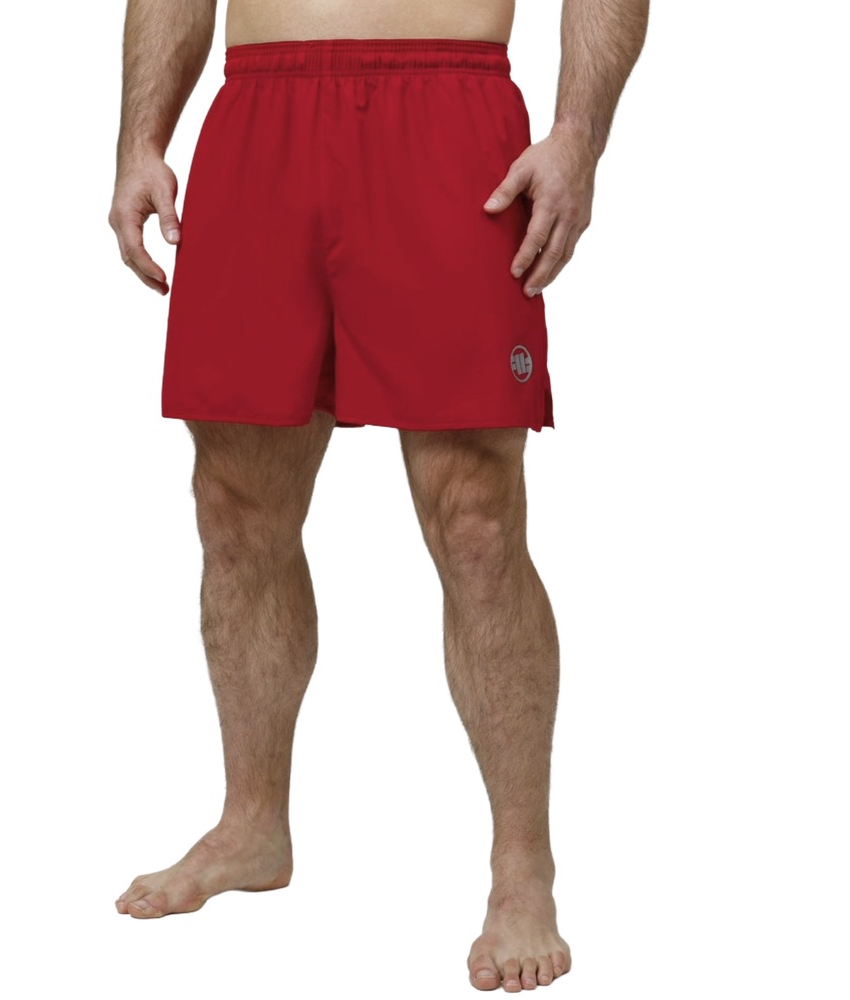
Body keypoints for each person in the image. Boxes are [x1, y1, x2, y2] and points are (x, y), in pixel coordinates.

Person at [108, 0, 647, 991]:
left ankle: (522, 866)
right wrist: (140, 138)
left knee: (476, 512)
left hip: (448, 109)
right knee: (234, 507)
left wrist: (577, 134)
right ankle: (251, 823)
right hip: (259, 116)